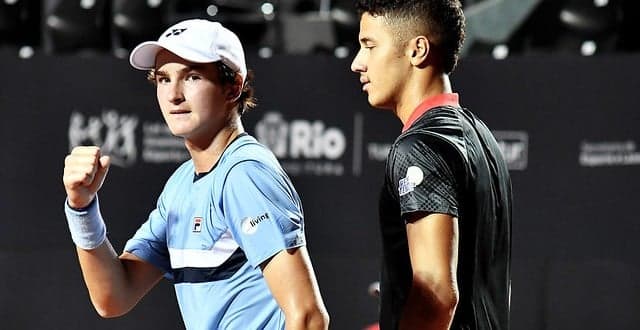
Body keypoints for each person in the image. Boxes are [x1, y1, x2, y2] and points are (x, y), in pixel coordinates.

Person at [62, 19, 329, 330]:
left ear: (233, 87)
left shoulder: (244, 173)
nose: (174, 95)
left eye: (191, 77)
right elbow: (113, 297)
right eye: (163, 79)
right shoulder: (182, 183)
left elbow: (309, 318)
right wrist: (82, 207)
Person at [350, 1, 512, 330]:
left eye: (369, 45)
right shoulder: (482, 137)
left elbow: (436, 294)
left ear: (418, 50)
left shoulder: (419, 148)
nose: (357, 63)